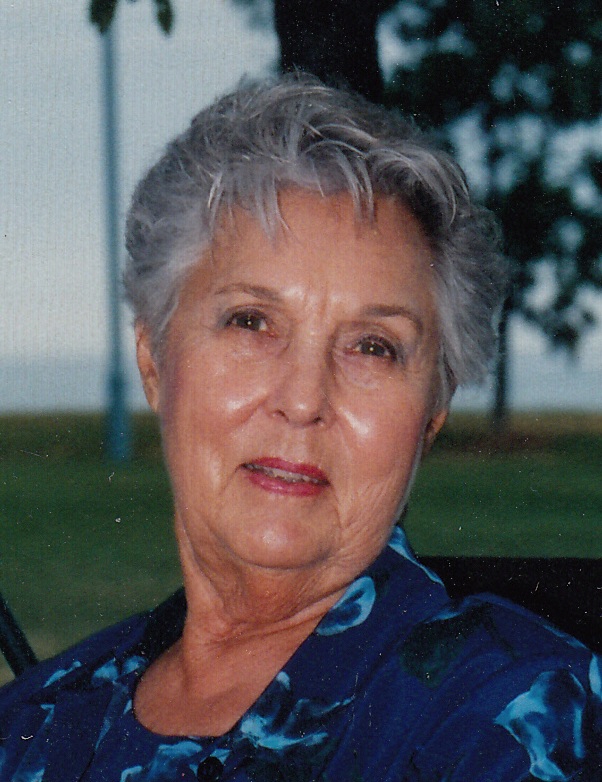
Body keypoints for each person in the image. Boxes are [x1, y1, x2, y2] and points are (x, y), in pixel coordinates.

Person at [0, 74, 599, 782]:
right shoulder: (31, 724)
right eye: (251, 322)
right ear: (154, 361)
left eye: (373, 346)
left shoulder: (512, 718)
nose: (303, 399)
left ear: (431, 414)